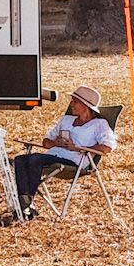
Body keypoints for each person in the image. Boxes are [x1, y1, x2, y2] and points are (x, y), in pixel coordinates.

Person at [11, 85, 117, 218]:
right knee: (20, 159)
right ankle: (25, 203)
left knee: (34, 160)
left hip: (73, 162)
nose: (71, 104)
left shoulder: (99, 124)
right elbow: (46, 142)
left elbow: (107, 147)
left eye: (74, 101)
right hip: (53, 156)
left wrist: (77, 148)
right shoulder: (67, 120)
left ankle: (24, 205)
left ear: (85, 106)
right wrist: (56, 143)